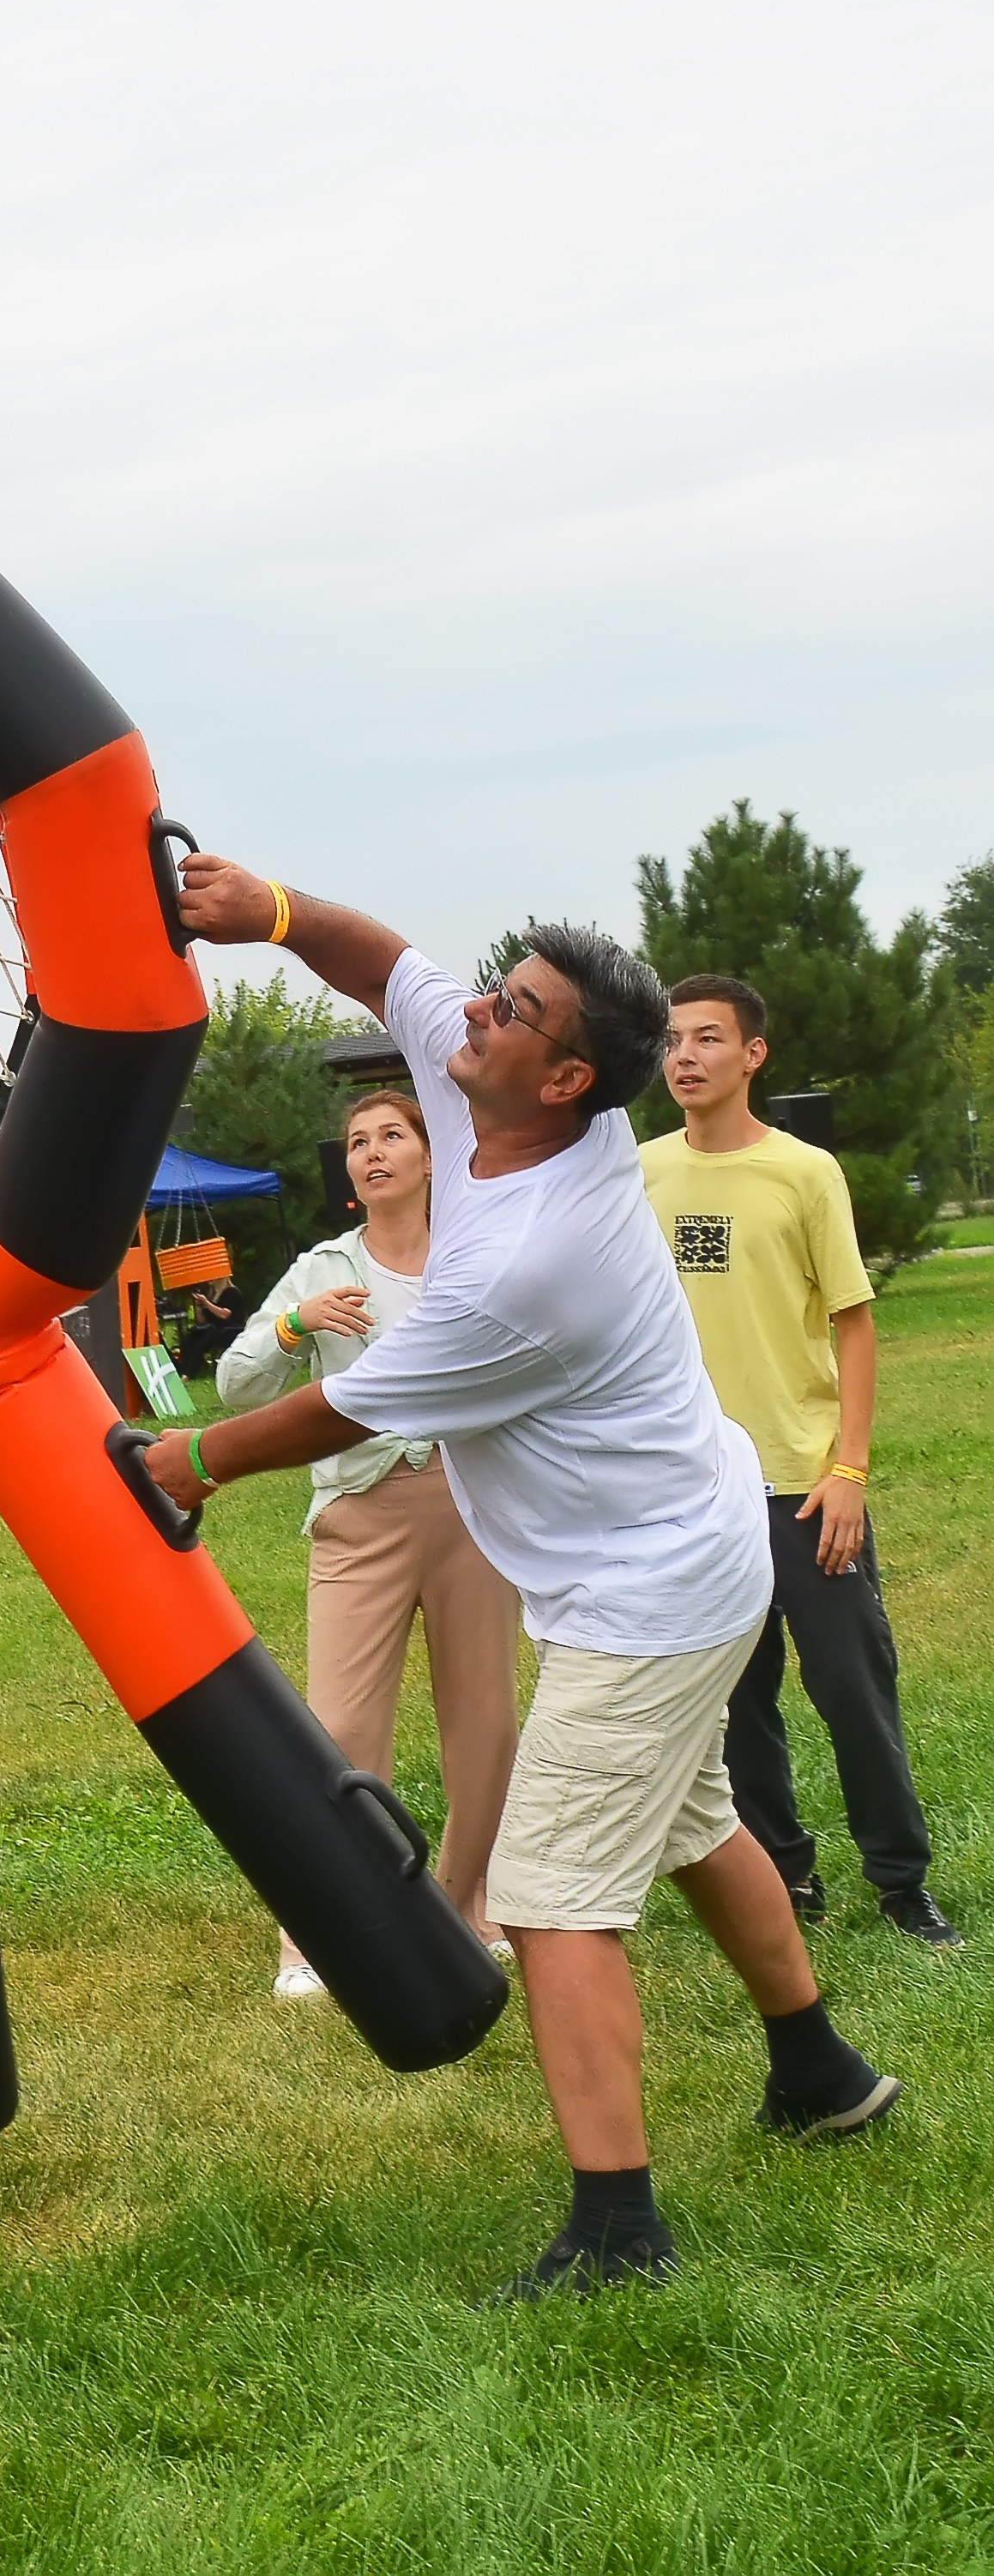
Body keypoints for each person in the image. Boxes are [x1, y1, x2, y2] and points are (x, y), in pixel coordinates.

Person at [144, 865, 901, 2301]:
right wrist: (270, 913)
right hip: (679, 1543)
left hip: (650, 1589)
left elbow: (354, 1406)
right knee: (689, 1819)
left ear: (558, 1077)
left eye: (512, 1011)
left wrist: (187, 1462)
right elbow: (386, 965)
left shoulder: (536, 1260)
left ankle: (617, 2233)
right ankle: (819, 2073)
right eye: (495, 992)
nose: (472, 1015)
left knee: (551, 1897)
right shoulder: (478, 1083)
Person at [641, 977, 961, 1949]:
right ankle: (784, 1876)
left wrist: (849, 1471)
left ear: (753, 1055)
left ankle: (903, 1882)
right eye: (670, 1040)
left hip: (803, 1484)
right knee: (736, 1702)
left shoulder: (804, 1170)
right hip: (694, 1492)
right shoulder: (639, 1172)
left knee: (854, 1691)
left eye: (708, 1038)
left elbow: (854, 1326)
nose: (685, 1055)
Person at [217, 1090, 520, 2000]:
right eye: (357, 1141)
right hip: (360, 1520)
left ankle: (475, 1913)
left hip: (475, 1517)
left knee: (486, 1731)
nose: (373, 1152)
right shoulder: (322, 1267)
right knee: (341, 1733)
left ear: (431, 1157)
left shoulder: (476, 1258)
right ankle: (316, 1940)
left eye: (393, 1135)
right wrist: (292, 1325)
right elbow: (236, 1383)